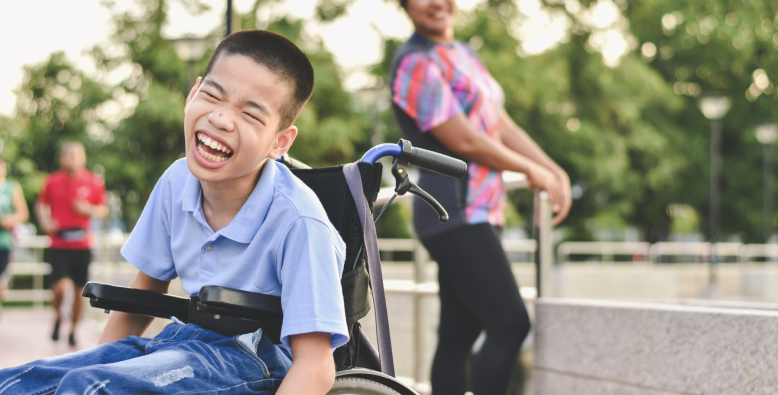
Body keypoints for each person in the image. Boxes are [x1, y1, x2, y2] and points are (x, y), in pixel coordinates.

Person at [0, 30, 347, 395]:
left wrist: (95, 379)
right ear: (192, 93)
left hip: (255, 354)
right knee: (20, 383)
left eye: (250, 113)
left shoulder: (298, 220)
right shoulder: (177, 180)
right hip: (181, 340)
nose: (222, 119)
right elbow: (143, 296)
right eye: (212, 95)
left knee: (89, 387)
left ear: (280, 141)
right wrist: (100, 361)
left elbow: (317, 366)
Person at [389, 0, 573, 393]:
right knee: (510, 323)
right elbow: (466, 139)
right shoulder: (414, 62)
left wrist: (550, 168)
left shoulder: (463, 54)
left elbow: (498, 124)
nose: (438, 3)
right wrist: (529, 170)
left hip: (480, 208)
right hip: (452, 209)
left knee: (459, 332)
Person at [36, 142, 108, 346]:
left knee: (78, 292)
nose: (73, 158)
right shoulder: (52, 181)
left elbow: (103, 209)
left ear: (84, 158)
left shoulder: (94, 182)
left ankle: (73, 330)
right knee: (60, 288)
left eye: (77, 155)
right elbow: (42, 204)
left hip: (82, 244)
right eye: (69, 155)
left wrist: (89, 209)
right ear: (62, 158)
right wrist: (45, 221)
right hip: (58, 242)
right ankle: (58, 316)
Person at [0, 157, 30, 310]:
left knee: (1, 283)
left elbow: (23, 213)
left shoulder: (11, 187)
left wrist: (6, 221)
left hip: (4, 243)